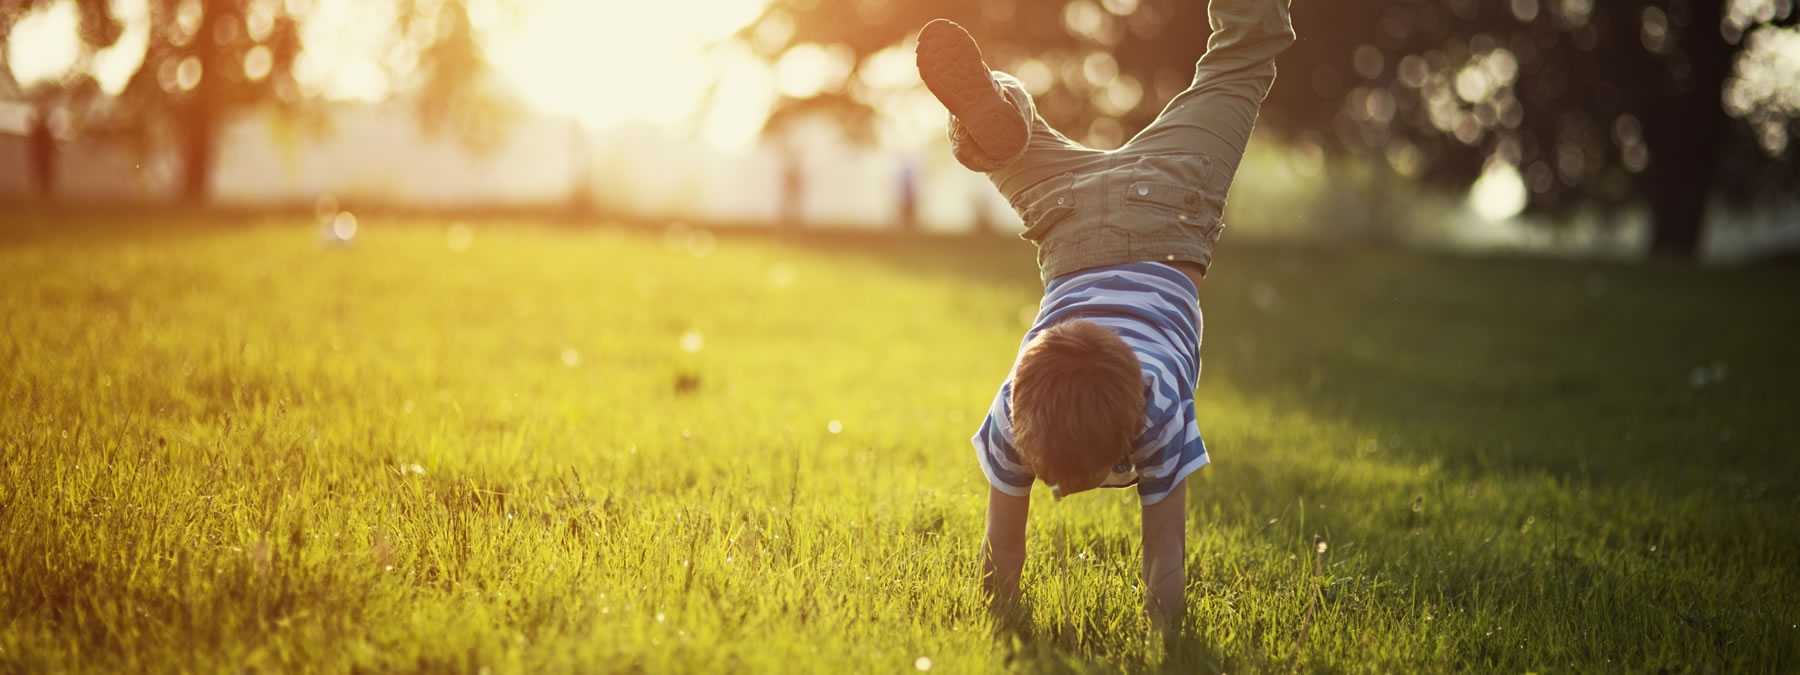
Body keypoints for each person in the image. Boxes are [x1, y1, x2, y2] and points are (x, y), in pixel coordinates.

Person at [915, 0, 1294, 629]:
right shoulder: (1015, 409)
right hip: (1073, 215)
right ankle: (998, 117)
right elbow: (1160, 561)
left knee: (1242, 58)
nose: (1062, 492)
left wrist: (1173, 647)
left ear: (1130, 432)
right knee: (1007, 146)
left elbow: (1007, 553)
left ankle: (997, 115)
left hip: (1168, 199)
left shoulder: (1154, 407)